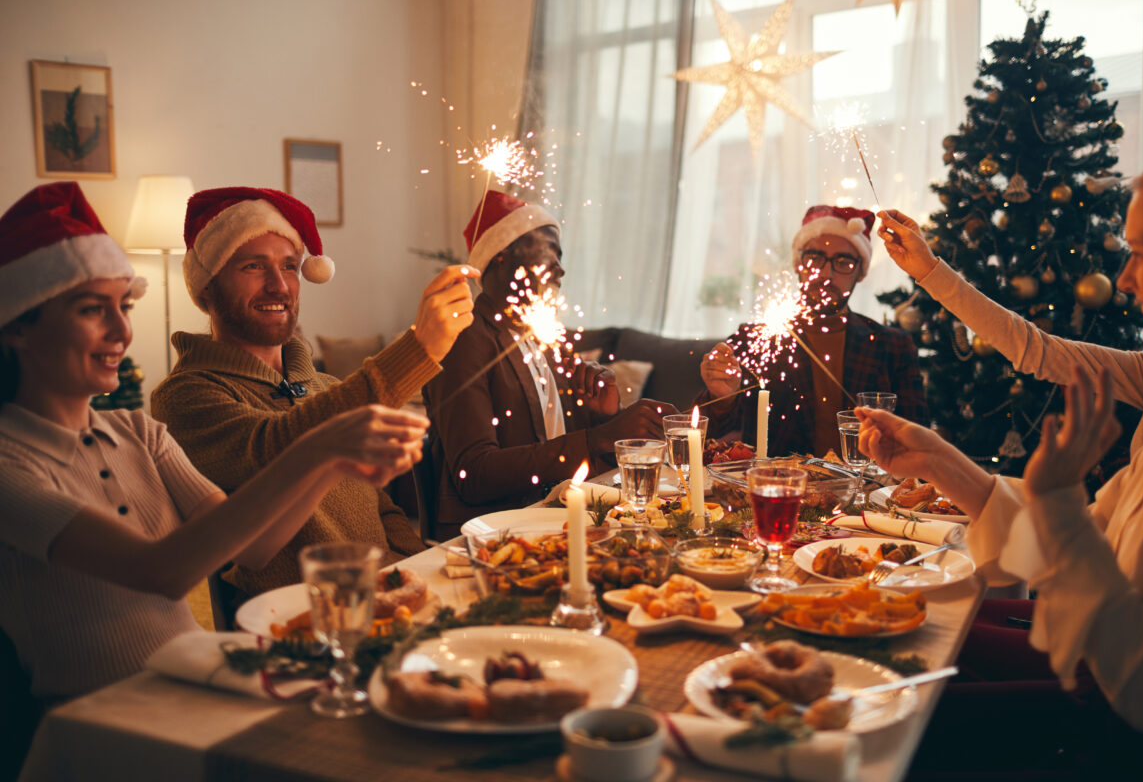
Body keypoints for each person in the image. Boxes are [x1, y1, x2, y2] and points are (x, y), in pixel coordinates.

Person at [0, 182, 426, 706]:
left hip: (201, 683)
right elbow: (162, 571)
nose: (121, 332)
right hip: (99, 717)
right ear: (18, 328)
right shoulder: (11, 462)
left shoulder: (138, 433)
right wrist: (319, 448)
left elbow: (254, 546)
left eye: (124, 307)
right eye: (93, 310)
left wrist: (332, 459)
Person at [861, 132, 1143, 773]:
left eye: (1141, 252)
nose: (1122, 280)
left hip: (1132, 741)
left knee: (884, 713)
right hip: (1090, 670)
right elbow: (1037, 350)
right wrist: (936, 458)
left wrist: (1057, 500)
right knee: (891, 643)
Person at [151, 187, 475, 599]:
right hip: (301, 629)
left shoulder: (326, 387)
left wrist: (417, 571)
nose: (279, 286)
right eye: (253, 266)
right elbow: (278, 444)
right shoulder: (186, 395)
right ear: (207, 287)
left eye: (289, 266)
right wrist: (418, 350)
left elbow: (384, 510)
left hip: (394, 606)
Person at [422, 191, 676, 538]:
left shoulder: (540, 339)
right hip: (495, 535)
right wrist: (599, 437)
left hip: (555, 520)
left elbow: (559, 447)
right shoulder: (464, 337)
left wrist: (604, 416)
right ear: (498, 258)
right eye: (547, 253)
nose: (560, 268)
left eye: (561, 256)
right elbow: (474, 475)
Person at [697, 205, 927, 457]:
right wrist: (723, 399)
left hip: (870, 491)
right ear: (799, 264)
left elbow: (918, 440)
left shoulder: (893, 347)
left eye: (843, 261)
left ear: (860, 272)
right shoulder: (756, 339)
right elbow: (711, 433)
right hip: (778, 488)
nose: (825, 273)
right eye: (815, 258)